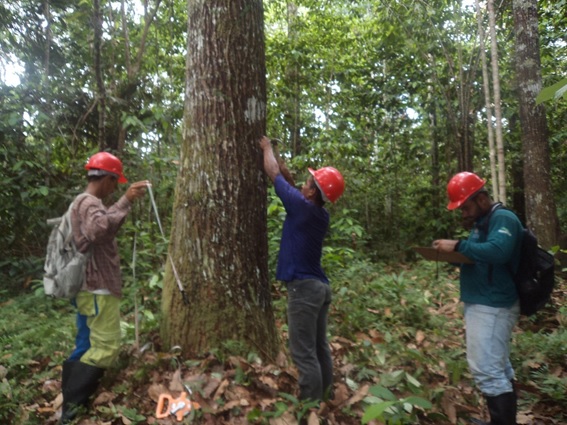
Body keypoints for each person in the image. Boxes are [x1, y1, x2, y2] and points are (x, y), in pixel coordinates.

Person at [60, 152, 148, 424]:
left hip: (87, 287)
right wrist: (125, 201)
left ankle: (70, 404)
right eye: (114, 183)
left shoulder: (84, 203)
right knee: (107, 346)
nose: (114, 189)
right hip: (97, 287)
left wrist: (121, 204)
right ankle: (72, 408)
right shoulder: (88, 203)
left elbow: (97, 229)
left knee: (86, 342)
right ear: (107, 179)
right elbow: (98, 231)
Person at [259, 135, 345, 404]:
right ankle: (325, 397)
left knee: (303, 352)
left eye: (308, 183)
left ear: (312, 193)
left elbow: (274, 174)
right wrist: (281, 162)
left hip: (304, 289)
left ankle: (310, 406)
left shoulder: (301, 208)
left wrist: (266, 148)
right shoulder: (318, 213)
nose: (303, 184)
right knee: (319, 347)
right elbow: (291, 184)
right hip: (320, 288)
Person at [433, 171, 522, 425]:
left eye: (466, 207)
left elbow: (499, 251)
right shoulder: (481, 223)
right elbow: (481, 258)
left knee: (486, 369)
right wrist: (455, 257)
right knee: (498, 366)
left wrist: (458, 246)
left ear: (481, 199)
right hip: (484, 303)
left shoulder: (503, 218)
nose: (464, 213)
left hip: (493, 305)